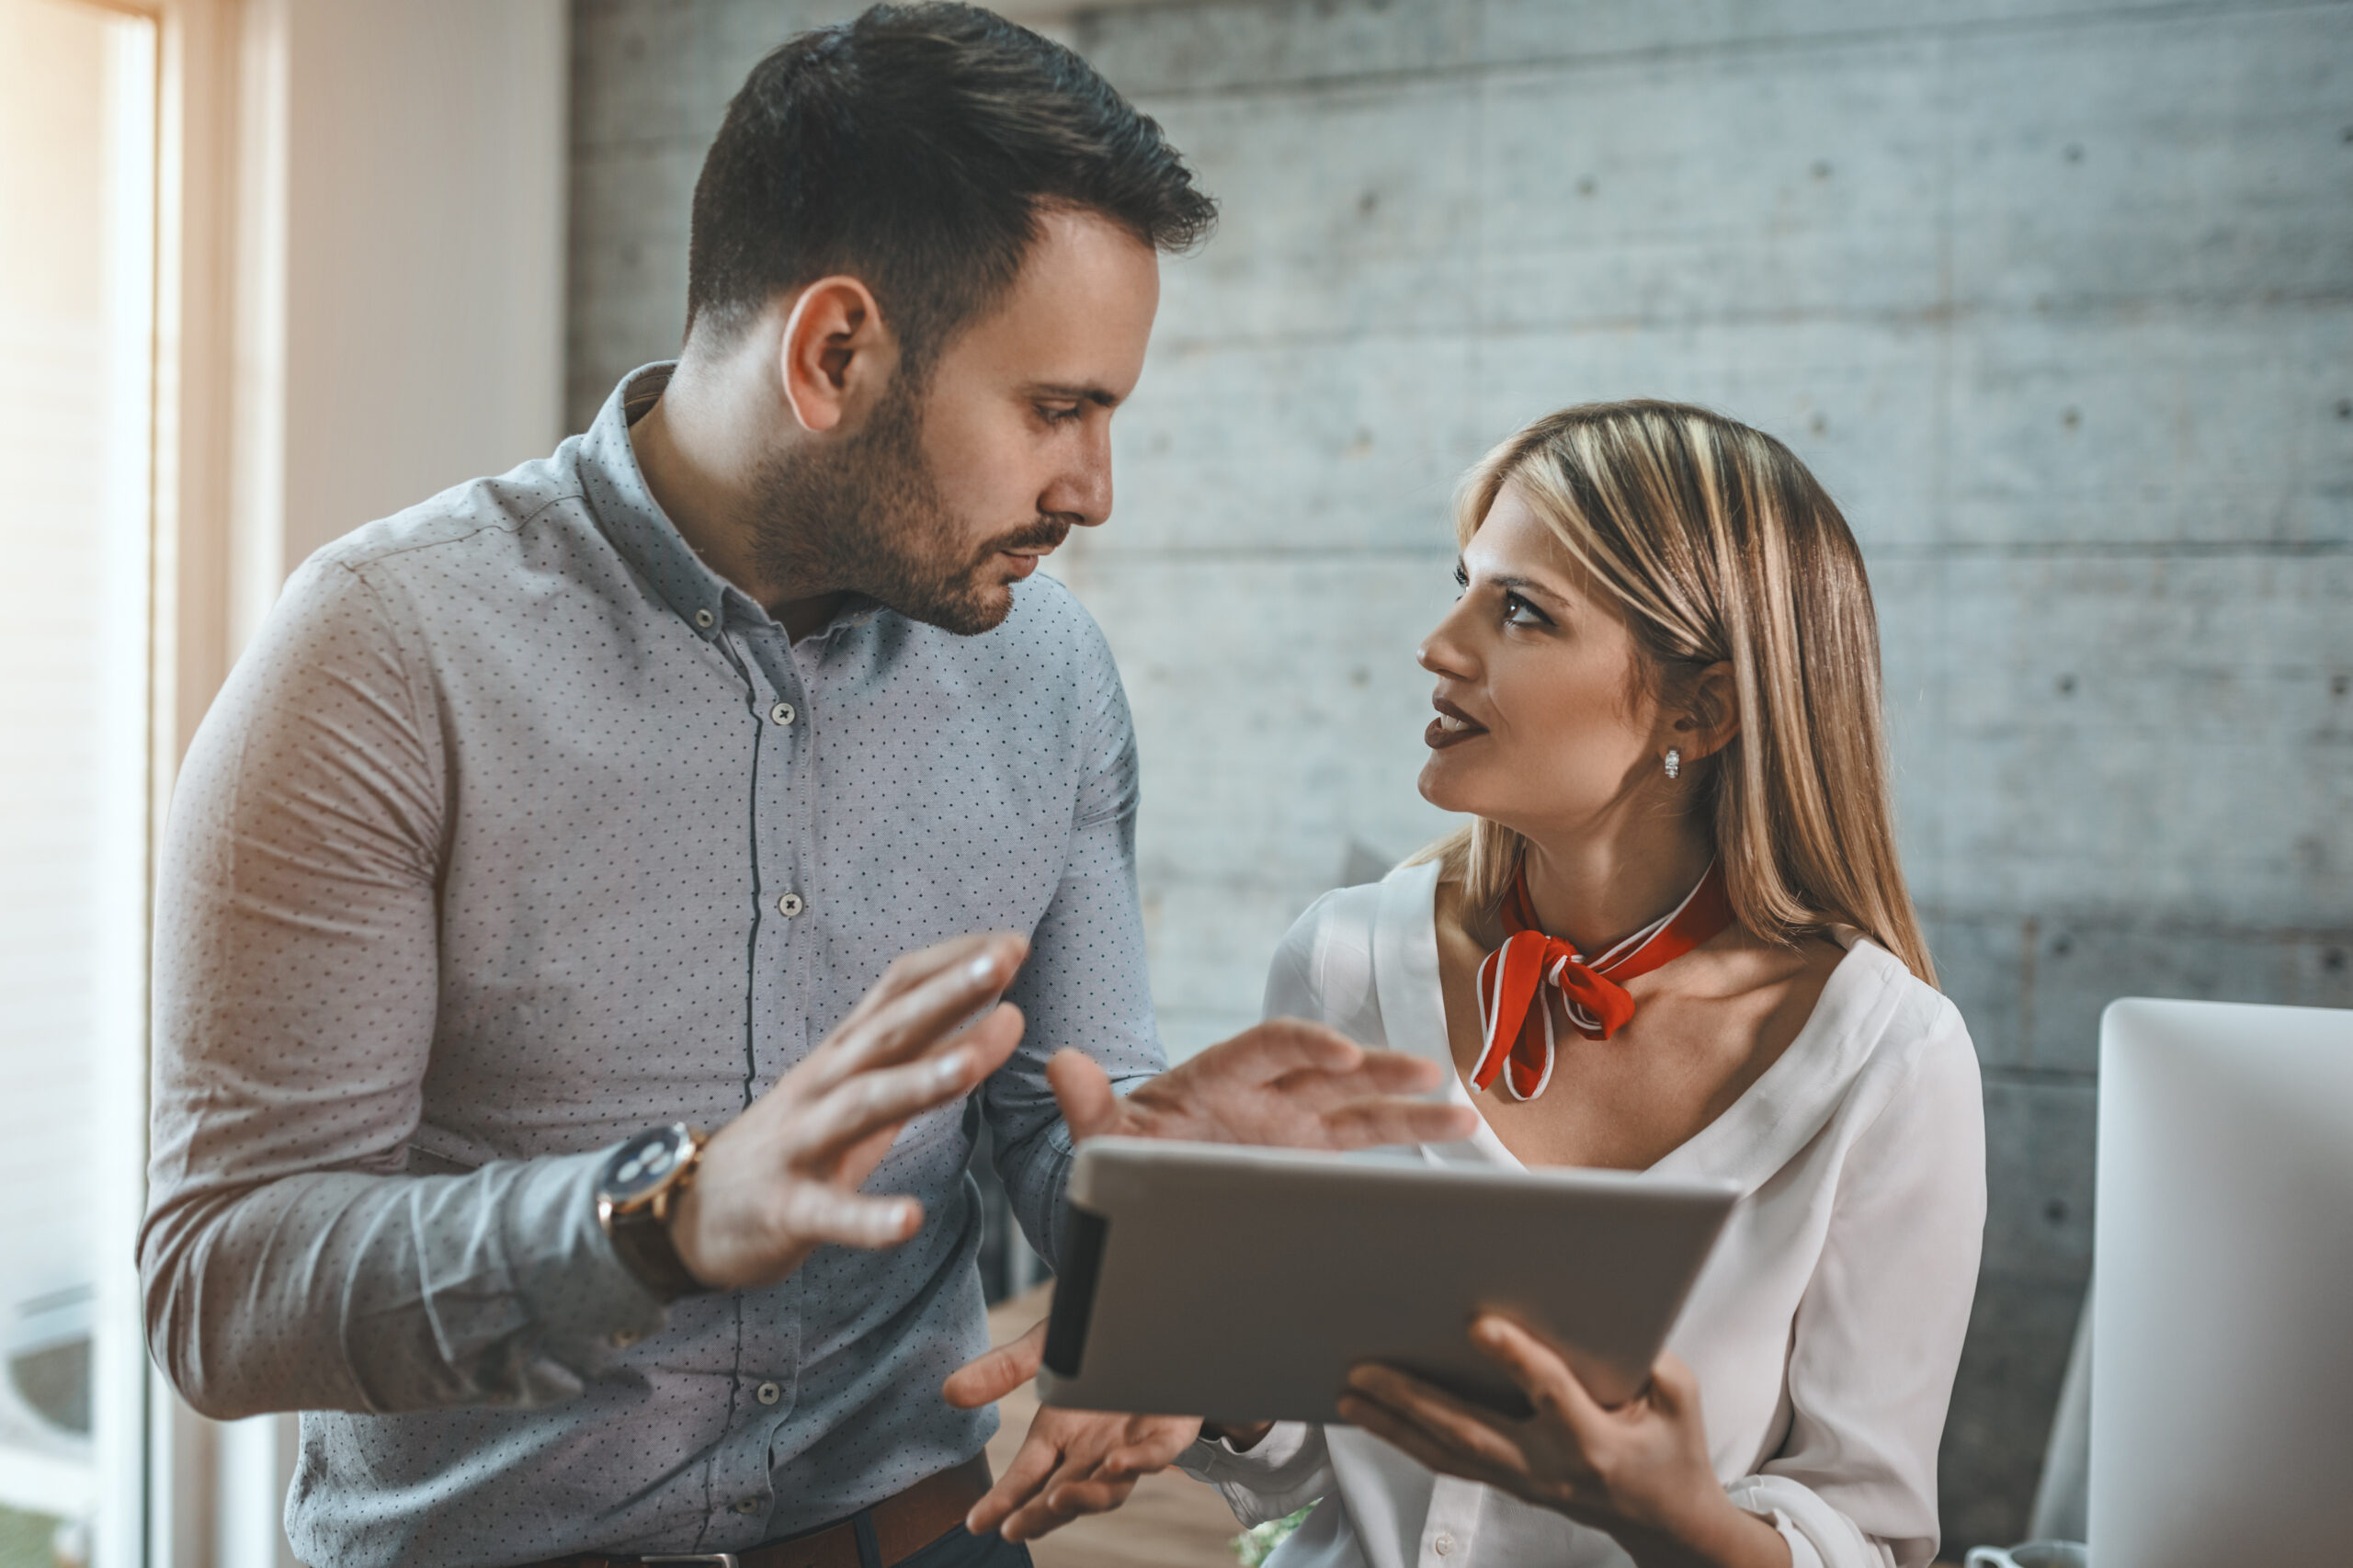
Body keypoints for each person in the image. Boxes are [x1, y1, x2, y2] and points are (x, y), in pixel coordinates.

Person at [137, 8, 1472, 1568]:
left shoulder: (1049, 676)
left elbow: (1064, 1121)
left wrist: (1181, 1218)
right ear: (835, 352)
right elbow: (221, 1290)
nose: (1094, 491)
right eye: (1057, 410)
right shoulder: (388, 653)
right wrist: (663, 1221)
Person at [956, 403, 1985, 1568]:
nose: (1439, 645)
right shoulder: (1341, 960)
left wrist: (1676, 1516)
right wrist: (1202, 1357)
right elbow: (1297, 1450)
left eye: (1520, 611)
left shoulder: (1889, 1057)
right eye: (1464, 584)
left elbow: (1876, 1535)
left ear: (1701, 708)